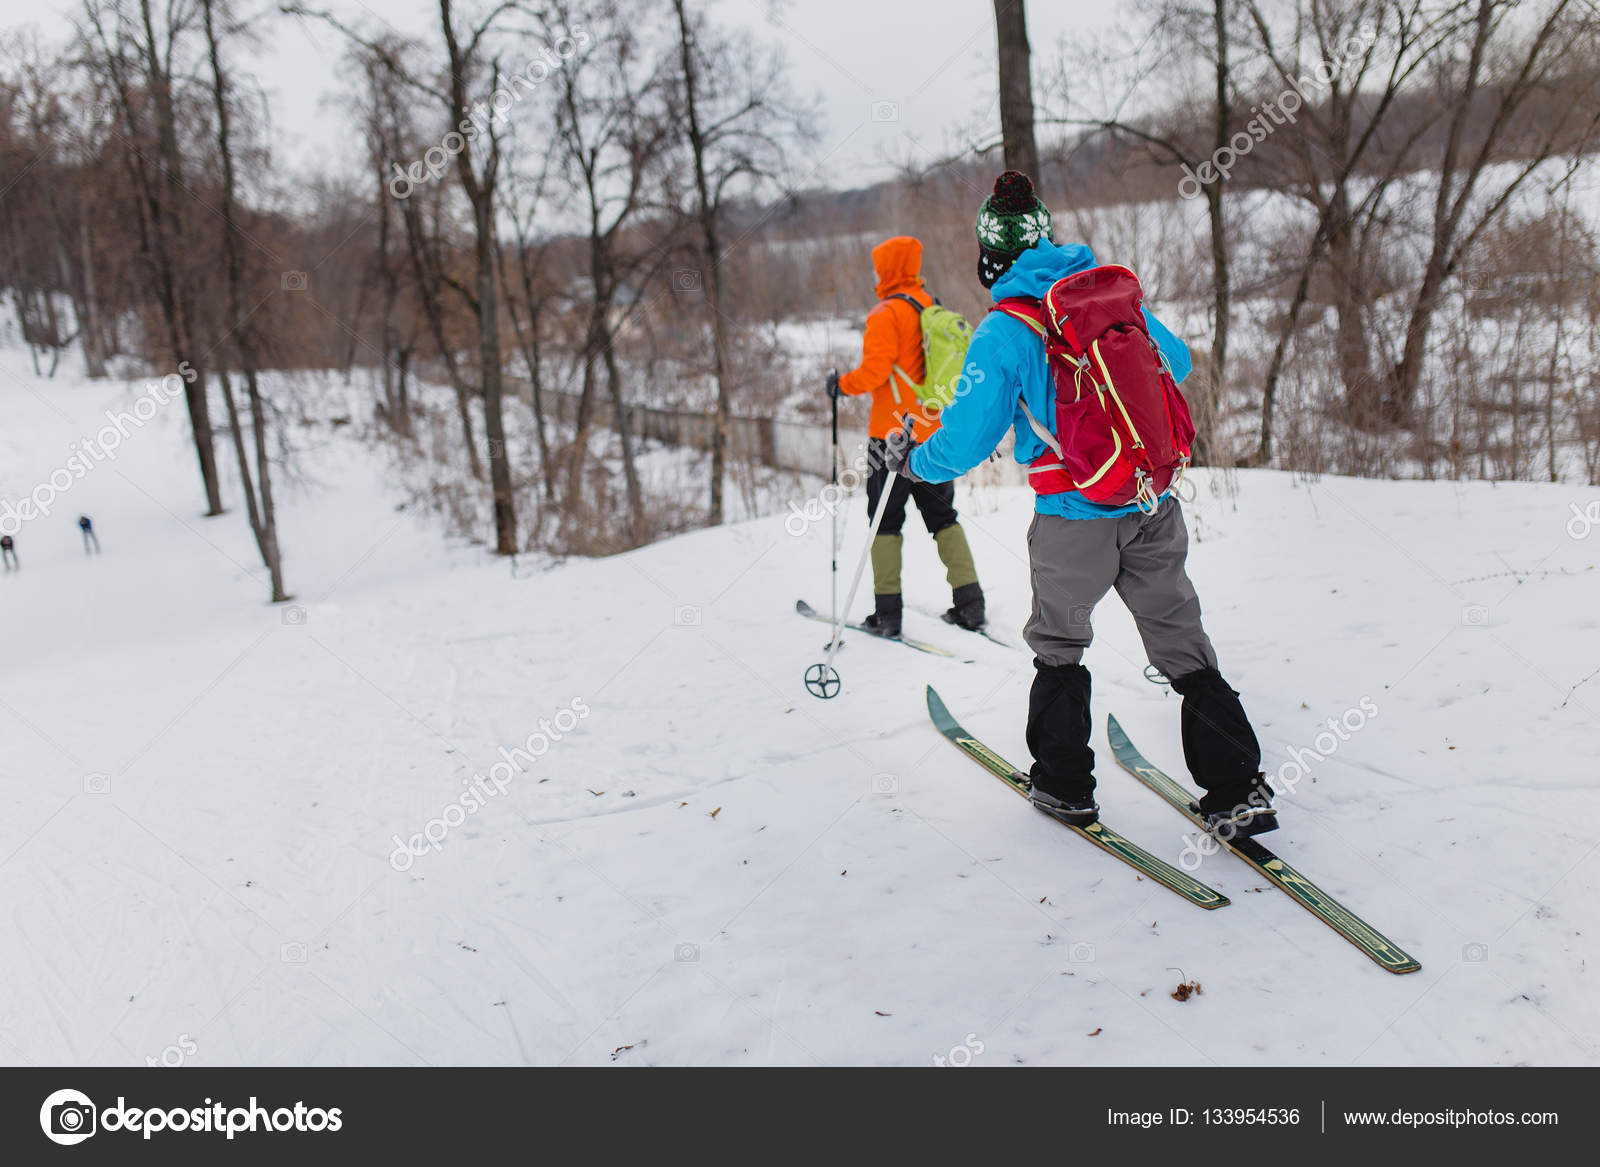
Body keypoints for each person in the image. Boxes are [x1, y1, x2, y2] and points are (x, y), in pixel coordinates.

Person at [891, 171, 1275, 838]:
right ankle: (1239, 787)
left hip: (1073, 517)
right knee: (1182, 641)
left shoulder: (1004, 331)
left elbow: (966, 439)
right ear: (1049, 239)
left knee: (1060, 643)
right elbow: (1177, 362)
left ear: (990, 260)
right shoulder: (1106, 298)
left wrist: (915, 462)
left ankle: (1065, 784)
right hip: (1150, 499)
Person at [827, 235, 986, 638]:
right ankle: (970, 604)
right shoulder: (931, 306)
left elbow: (875, 373)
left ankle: (888, 614)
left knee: (884, 521)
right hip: (933, 435)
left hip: (890, 438)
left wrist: (840, 385)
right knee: (943, 516)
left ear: (888, 269)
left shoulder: (885, 313)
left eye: (879, 266)